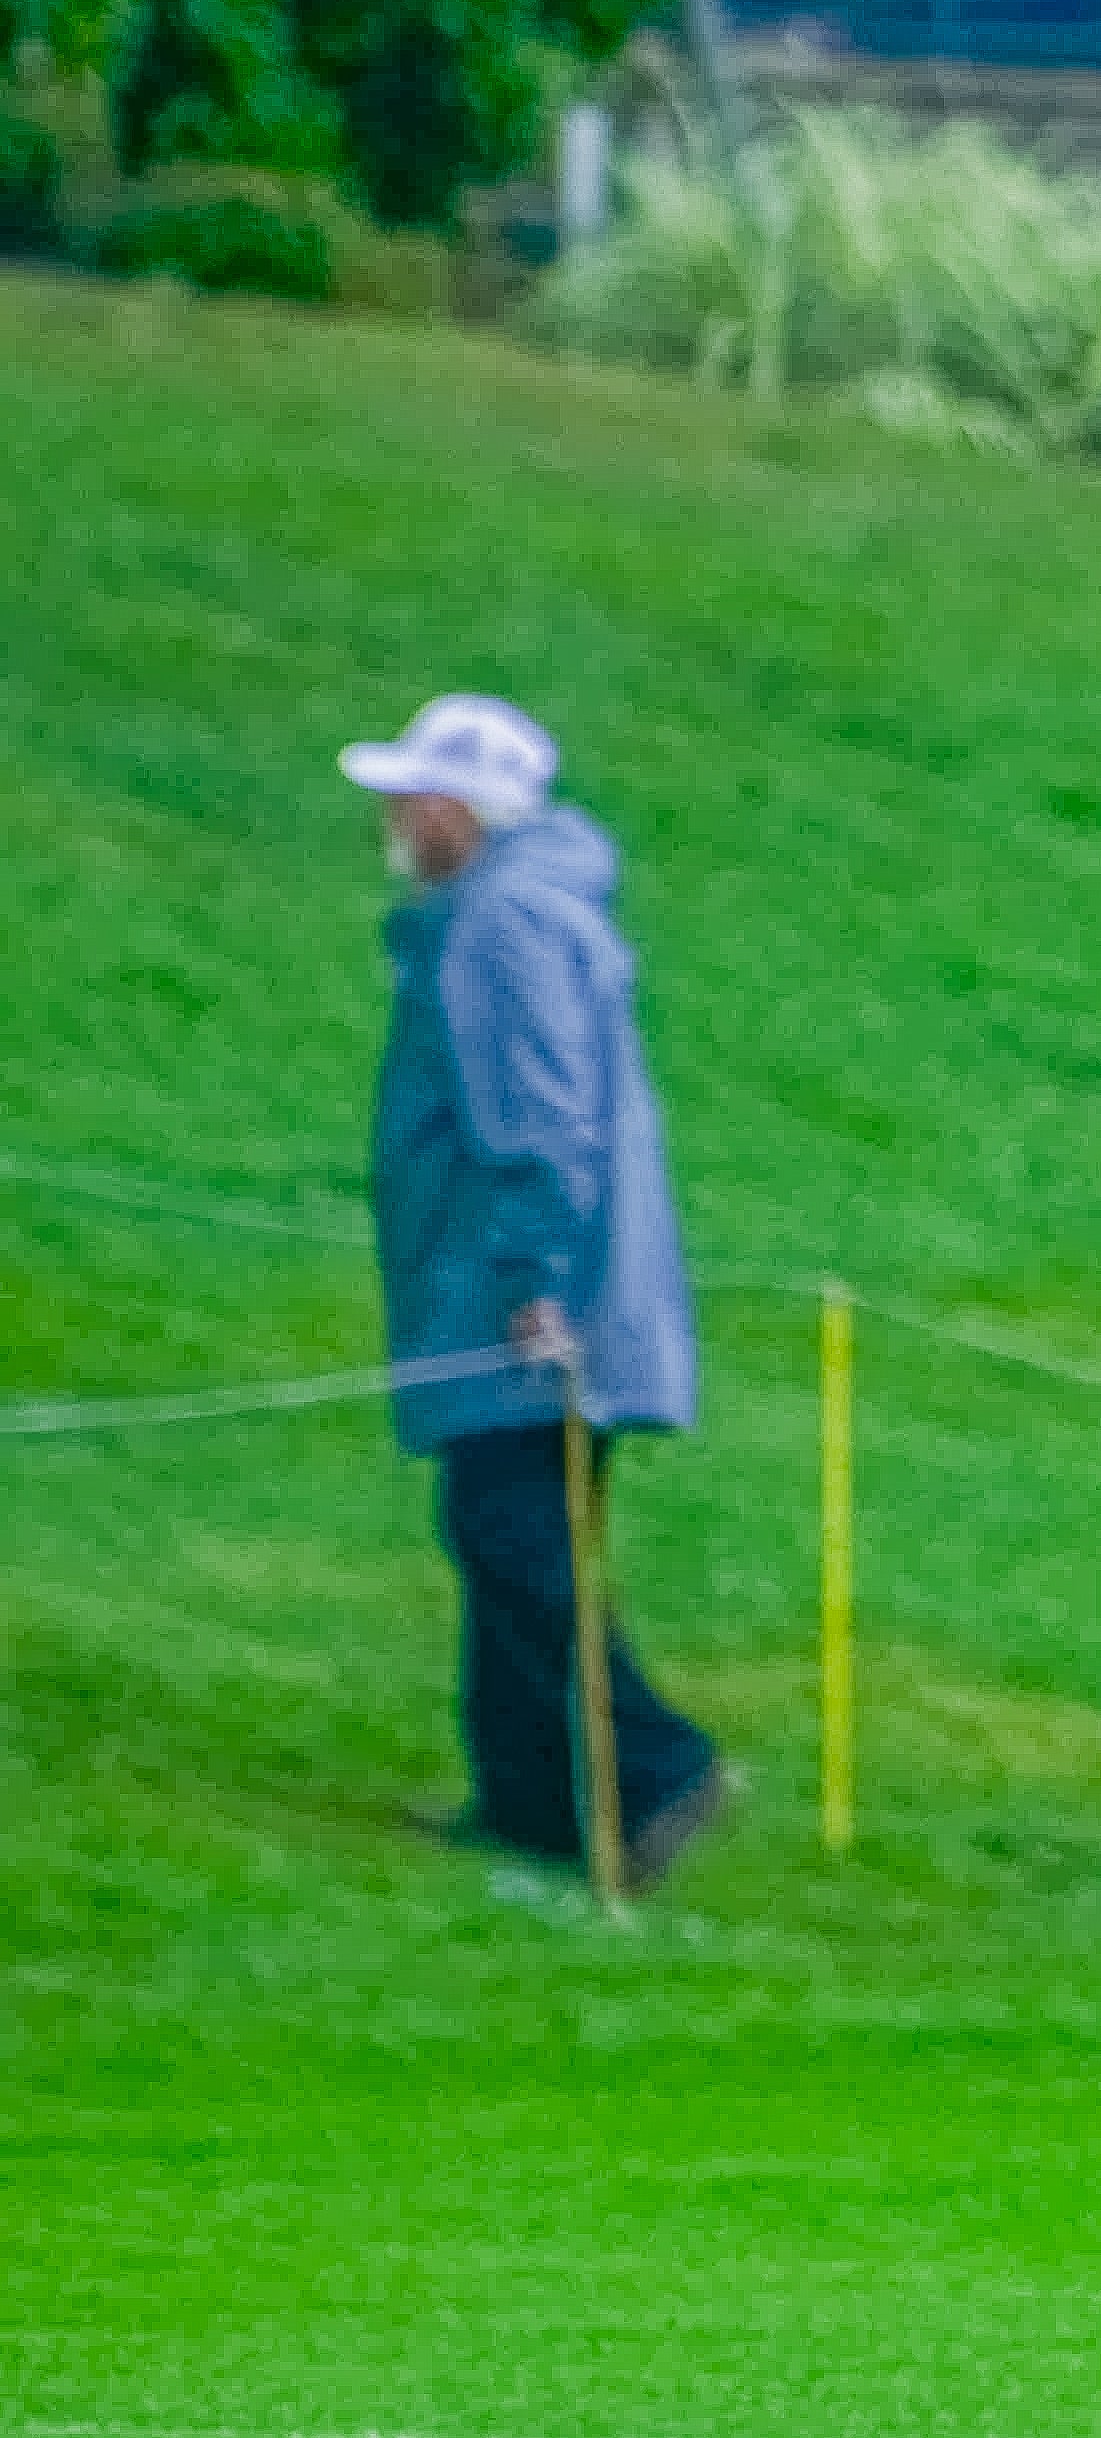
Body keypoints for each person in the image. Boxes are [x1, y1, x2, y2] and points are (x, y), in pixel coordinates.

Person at [350, 693, 726, 1891]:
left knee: (512, 1531)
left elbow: (535, 1121)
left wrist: (534, 1283)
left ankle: (658, 1771)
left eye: (408, 795)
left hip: (521, 1291)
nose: (392, 817)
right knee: (517, 1526)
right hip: (530, 1275)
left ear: (456, 809)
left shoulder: (502, 926)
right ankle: (531, 1802)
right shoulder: (523, 911)